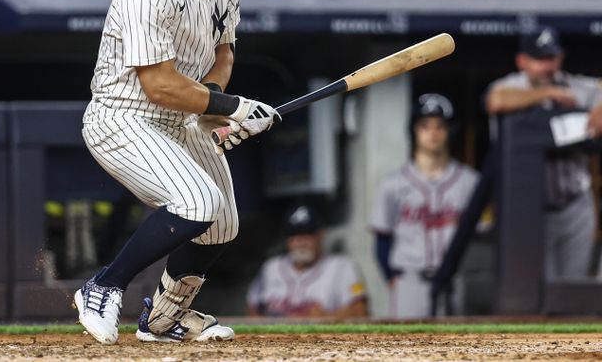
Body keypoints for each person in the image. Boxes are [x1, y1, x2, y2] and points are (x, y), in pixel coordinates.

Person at [73, 0, 281, 345]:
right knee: (197, 202)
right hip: (123, 115)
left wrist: (216, 112)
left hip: (181, 116)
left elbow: (222, 51)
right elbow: (159, 85)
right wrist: (232, 107)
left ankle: (164, 317)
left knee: (222, 224)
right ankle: (103, 286)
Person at [485, 26, 602, 280]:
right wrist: (547, 93)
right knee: (534, 291)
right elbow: (496, 100)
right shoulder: (511, 85)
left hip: (574, 205)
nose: (547, 66)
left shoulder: (575, 85)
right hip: (528, 210)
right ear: (522, 61)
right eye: (539, 59)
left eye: (552, 58)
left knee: (574, 290)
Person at [370, 93, 479, 319]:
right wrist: (394, 281)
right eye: (425, 126)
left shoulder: (469, 181)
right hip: (409, 282)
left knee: (457, 352)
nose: (433, 133)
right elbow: (382, 240)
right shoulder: (393, 183)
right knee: (406, 352)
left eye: (440, 126)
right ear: (414, 131)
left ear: (450, 131)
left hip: (454, 280)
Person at [246, 204, 368, 319]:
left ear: (321, 235)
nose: (300, 242)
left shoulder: (342, 267)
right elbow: (252, 309)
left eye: (307, 234)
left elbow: (361, 310)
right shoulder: (271, 268)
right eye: (294, 235)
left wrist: (326, 318)